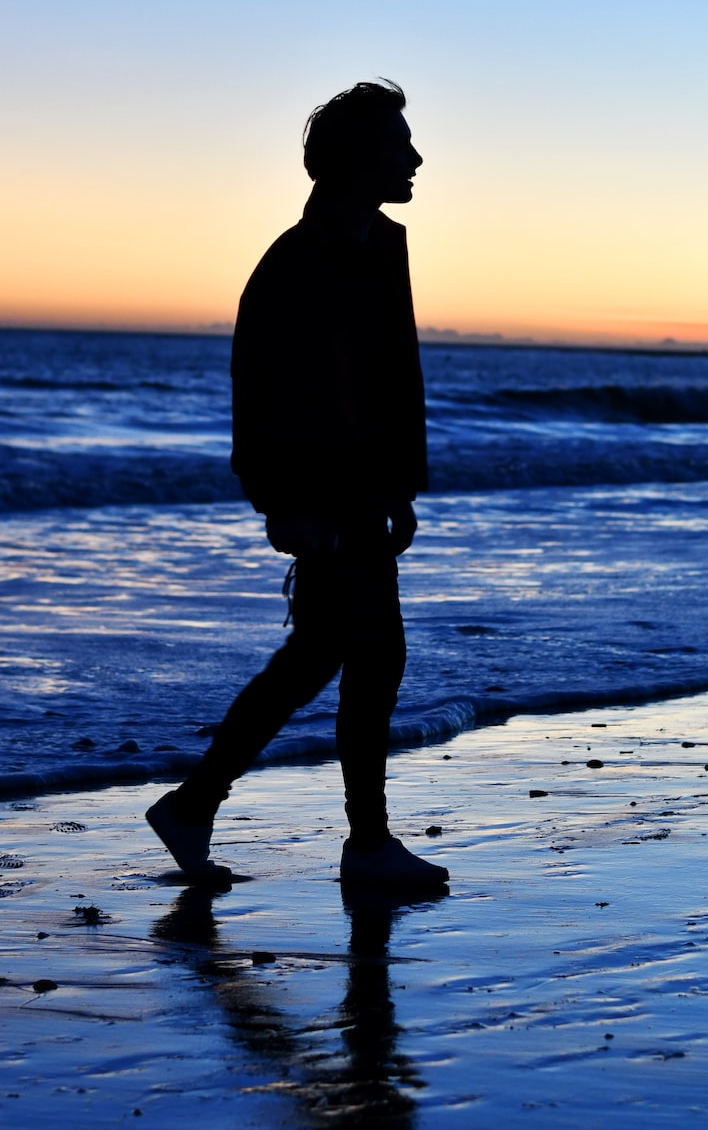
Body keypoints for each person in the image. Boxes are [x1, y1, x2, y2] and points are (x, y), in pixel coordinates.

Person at [147, 80, 448, 891]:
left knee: (335, 655)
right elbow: (261, 389)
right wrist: (283, 505)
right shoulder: (295, 261)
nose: (416, 157)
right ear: (358, 158)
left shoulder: (381, 245)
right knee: (362, 654)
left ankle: (202, 807)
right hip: (319, 490)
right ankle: (359, 842)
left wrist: (400, 486)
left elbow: (392, 379)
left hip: (361, 487)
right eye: (400, 144)